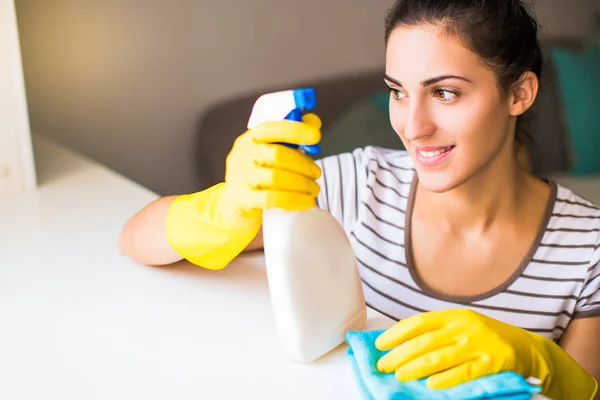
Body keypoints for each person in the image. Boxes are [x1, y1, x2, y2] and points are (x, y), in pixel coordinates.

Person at [118, 0, 600, 398]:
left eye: (446, 94)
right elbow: (136, 239)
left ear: (519, 94)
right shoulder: (359, 185)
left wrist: (540, 362)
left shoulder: (589, 250)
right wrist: (225, 208)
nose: (413, 127)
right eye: (398, 92)